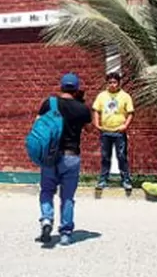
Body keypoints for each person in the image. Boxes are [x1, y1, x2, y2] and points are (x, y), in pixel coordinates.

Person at [36, 73, 92, 246]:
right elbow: (90, 129)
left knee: (46, 190)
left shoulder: (49, 103)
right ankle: (66, 233)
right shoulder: (82, 109)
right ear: (76, 89)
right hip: (71, 155)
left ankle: (46, 219)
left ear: (61, 87)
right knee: (67, 197)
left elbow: (37, 124)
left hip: (50, 156)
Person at [93, 72, 134, 190]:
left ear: (119, 83)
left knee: (121, 156)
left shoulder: (125, 96)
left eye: (115, 82)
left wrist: (125, 125)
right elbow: (96, 110)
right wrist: (96, 123)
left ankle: (126, 180)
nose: (112, 85)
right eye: (110, 82)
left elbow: (130, 113)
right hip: (105, 131)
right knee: (105, 156)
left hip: (119, 132)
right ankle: (103, 180)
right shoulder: (102, 96)